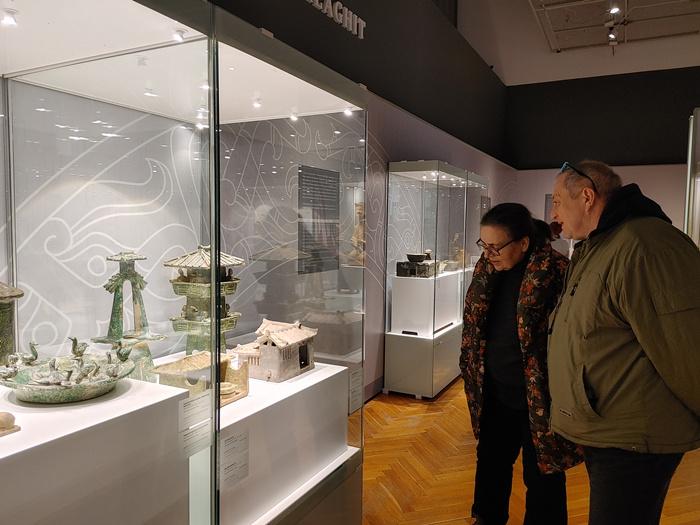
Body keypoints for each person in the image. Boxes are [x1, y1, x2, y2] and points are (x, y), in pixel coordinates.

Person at [548, 160, 700, 525]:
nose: (553, 213)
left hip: (635, 439)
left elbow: (687, 346)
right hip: (611, 429)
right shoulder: (600, 245)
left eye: (557, 201)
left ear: (587, 197)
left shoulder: (646, 246)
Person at [460, 203, 582, 525]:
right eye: (484, 245)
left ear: (524, 242)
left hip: (540, 397)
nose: (488, 254)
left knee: (543, 475)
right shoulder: (487, 270)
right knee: (490, 465)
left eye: (496, 246)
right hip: (495, 391)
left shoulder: (557, 272)